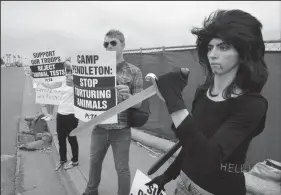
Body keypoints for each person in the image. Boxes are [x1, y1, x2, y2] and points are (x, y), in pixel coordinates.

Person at [146, 9, 269, 195]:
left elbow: (207, 158)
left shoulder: (252, 105)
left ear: (244, 52)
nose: (213, 54)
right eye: (210, 47)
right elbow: (190, 143)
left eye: (223, 47)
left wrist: (174, 102)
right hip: (183, 183)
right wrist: (168, 175)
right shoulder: (204, 92)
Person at [82, 29, 144, 195]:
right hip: (100, 127)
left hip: (121, 130)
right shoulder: (95, 69)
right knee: (94, 163)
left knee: (122, 169)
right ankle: (90, 192)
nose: (108, 46)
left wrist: (129, 96)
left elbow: (139, 104)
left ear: (123, 45)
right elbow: (86, 95)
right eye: (105, 44)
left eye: (113, 43)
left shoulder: (134, 71)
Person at [40, 60, 80, 171]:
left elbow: (84, 86)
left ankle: (75, 160)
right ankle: (62, 159)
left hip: (72, 115)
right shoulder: (63, 80)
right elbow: (49, 86)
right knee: (61, 138)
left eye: (69, 71)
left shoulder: (78, 81)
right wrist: (39, 78)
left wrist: (68, 65)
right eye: (66, 71)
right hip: (61, 114)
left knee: (72, 138)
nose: (67, 73)